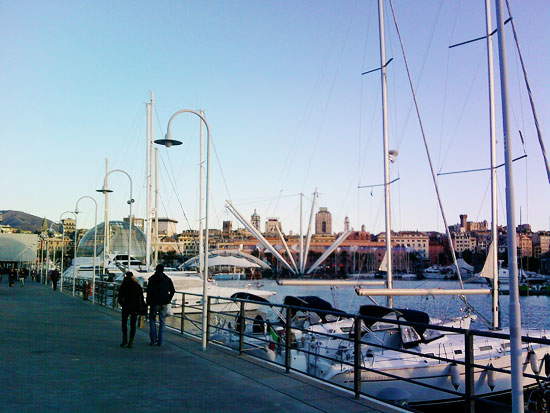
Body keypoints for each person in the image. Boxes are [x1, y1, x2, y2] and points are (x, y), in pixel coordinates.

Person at [146, 264, 175, 346]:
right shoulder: (167, 279)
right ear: (163, 270)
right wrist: (169, 299)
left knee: (152, 321)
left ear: (156, 269)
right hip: (164, 302)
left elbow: (149, 292)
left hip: (154, 303)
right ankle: (160, 341)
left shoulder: (151, 279)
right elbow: (172, 291)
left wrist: (148, 302)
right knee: (162, 322)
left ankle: (153, 340)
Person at [117, 271, 145, 348]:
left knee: (124, 324)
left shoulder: (123, 285)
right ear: (132, 276)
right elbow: (141, 298)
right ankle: (131, 341)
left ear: (126, 276)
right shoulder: (137, 285)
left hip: (126, 306)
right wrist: (142, 307)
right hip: (135, 307)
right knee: (133, 325)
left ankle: (124, 340)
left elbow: (119, 297)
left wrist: (122, 304)